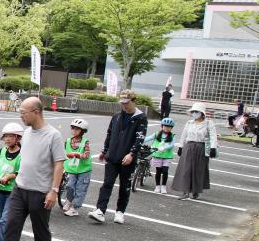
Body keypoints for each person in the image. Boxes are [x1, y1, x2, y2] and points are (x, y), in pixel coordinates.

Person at [0, 97, 65, 241]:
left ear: (36, 112)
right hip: (20, 188)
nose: (21, 116)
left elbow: (59, 164)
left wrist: (54, 191)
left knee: (40, 229)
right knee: (10, 223)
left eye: (23, 113)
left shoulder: (53, 135)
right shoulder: (28, 133)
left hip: (40, 191)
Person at [87, 89, 148, 225]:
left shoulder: (141, 118)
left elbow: (140, 138)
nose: (124, 105)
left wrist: (132, 154)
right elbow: (109, 134)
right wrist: (104, 151)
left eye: (127, 103)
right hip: (112, 156)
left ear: (134, 101)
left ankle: (120, 211)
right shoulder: (116, 116)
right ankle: (100, 210)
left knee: (125, 186)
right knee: (107, 184)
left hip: (128, 159)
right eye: (122, 103)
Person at [172, 102, 218, 200]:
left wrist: (213, 148)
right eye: (193, 111)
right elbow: (184, 135)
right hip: (189, 146)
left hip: (202, 147)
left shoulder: (209, 123)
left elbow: (213, 136)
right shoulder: (189, 123)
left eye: (196, 111)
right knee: (186, 169)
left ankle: (196, 191)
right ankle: (185, 192)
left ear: (202, 113)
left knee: (199, 169)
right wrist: (181, 146)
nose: (194, 113)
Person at [61, 118, 93, 217]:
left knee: (80, 189)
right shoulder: (67, 141)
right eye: (73, 128)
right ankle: (69, 202)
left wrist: (76, 154)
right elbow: (62, 152)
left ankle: (75, 208)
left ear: (82, 131)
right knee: (70, 186)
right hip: (71, 169)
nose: (74, 130)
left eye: (77, 129)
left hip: (84, 170)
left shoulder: (85, 142)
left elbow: (86, 155)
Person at [148, 117, 176, 194]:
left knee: (165, 171)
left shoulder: (172, 136)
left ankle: (163, 186)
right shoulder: (157, 134)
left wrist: (164, 147)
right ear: (162, 126)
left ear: (171, 128)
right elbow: (148, 138)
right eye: (165, 126)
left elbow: (172, 144)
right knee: (158, 171)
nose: (167, 128)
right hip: (157, 155)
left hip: (167, 156)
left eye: (169, 127)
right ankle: (157, 186)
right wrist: (140, 140)